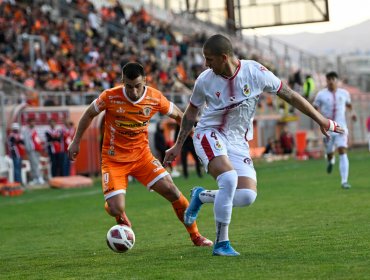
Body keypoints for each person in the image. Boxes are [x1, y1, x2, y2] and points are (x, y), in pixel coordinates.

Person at [164, 34, 344, 256]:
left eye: (209, 59)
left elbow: (290, 94)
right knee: (229, 179)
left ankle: (201, 196)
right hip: (209, 133)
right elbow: (191, 113)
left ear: (223, 57)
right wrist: (178, 145)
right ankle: (222, 244)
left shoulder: (255, 72)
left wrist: (322, 120)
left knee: (246, 196)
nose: (205, 64)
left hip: (238, 141)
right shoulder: (205, 80)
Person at [67, 62, 212, 247]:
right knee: (115, 208)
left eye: (137, 86)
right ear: (122, 81)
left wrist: (190, 135)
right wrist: (76, 140)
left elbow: (178, 115)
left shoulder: (154, 97)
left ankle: (196, 236)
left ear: (145, 80)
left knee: (173, 191)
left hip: (142, 157)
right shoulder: (110, 96)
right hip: (114, 160)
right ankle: (119, 213)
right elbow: (88, 114)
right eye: (129, 86)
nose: (134, 91)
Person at [313, 71, 356, 189]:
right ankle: (330, 161)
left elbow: (349, 105)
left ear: (336, 80)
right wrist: (319, 120)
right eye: (328, 79)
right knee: (330, 153)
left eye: (333, 79)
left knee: (342, 150)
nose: (331, 81)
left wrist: (352, 113)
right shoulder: (321, 95)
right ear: (326, 81)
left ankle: (344, 181)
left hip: (341, 128)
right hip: (327, 129)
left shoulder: (344, 93)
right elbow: (314, 108)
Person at [23, 118, 45, 185]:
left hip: (37, 149)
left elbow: (40, 138)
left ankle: (37, 178)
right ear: (29, 123)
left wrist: (41, 146)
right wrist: (28, 149)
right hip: (31, 150)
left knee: (36, 164)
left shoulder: (37, 130)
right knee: (33, 164)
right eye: (31, 122)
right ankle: (37, 178)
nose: (33, 123)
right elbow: (26, 141)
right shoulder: (26, 131)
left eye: (33, 122)